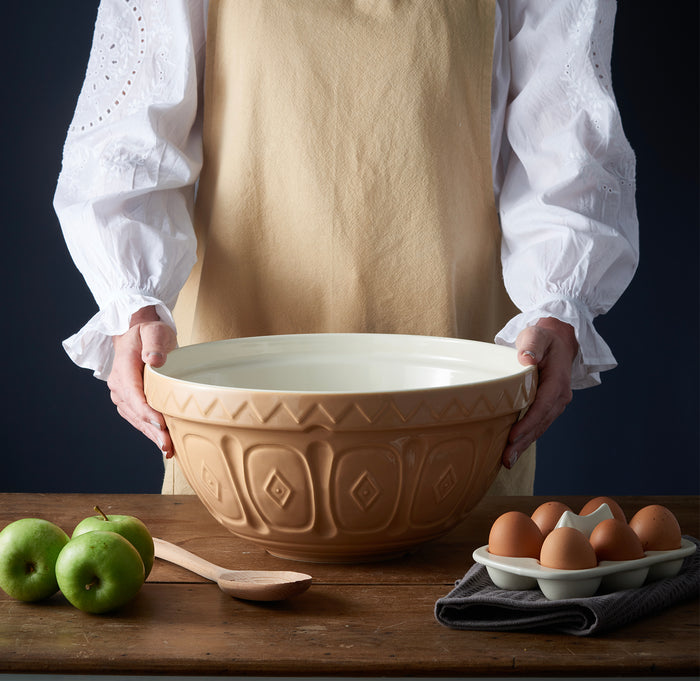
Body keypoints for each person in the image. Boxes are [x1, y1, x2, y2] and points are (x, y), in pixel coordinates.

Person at [54, 0, 638, 496]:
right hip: (234, 407)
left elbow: (567, 133)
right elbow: (131, 142)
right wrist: (131, 302)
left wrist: (560, 307)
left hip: (459, 397)